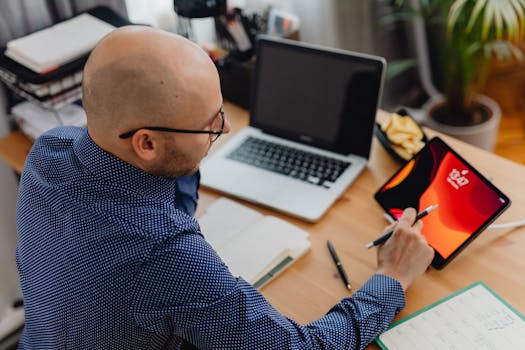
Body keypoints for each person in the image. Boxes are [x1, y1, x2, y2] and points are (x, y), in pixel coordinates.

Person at [16, 26, 434, 349]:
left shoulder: (50, 150)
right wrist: (391, 276)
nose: (227, 127)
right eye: (209, 124)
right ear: (146, 143)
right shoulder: (163, 254)